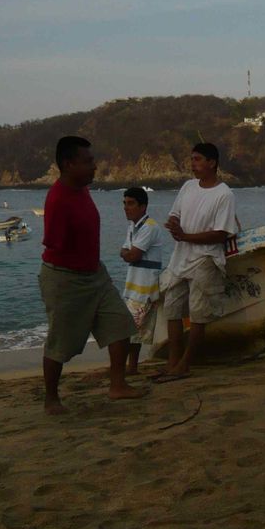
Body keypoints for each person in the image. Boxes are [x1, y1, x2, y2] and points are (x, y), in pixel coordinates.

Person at [38, 136, 144, 414]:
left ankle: (118, 386)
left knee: (120, 326)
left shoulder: (82, 189)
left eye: (92, 161)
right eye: (88, 162)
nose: (94, 167)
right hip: (65, 278)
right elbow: (54, 245)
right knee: (61, 342)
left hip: (95, 273)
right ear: (68, 164)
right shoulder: (58, 199)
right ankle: (51, 399)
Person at [157, 142, 239, 382]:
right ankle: (173, 360)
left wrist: (185, 236)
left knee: (198, 313)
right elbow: (176, 213)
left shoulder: (224, 194)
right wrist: (174, 225)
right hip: (180, 257)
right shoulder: (188, 187)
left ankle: (185, 363)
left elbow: (221, 233)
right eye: (192, 159)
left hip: (205, 258)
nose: (193, 164)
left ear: (212, 162)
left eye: (197, 159)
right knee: (172, 307)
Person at [119, 186, 167, 374]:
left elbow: (132, 255)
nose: (126, 207)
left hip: (144, 288)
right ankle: (130, 366)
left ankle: (127, 366)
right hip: (133, 287)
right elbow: (125, 252)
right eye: (124, 203)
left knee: (131, 330)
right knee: (134, 331)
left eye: (130, 203)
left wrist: (127, 253)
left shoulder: (150, 227)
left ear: (143, 206)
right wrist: (128, 253)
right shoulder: (133, 227)